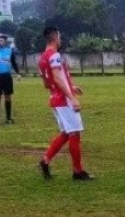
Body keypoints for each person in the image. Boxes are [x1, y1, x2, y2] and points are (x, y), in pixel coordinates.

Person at [37, 26, 93, 181]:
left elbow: (48, 83)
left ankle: (45, 161)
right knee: (74, 133)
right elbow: (56, 77)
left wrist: (71, 87)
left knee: (67, 133)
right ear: (55, 38)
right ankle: (78, 171)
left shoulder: (42, 58)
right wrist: (71, 97)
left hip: (55, 99)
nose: (60, 40)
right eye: (59, 37)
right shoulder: (54, 55)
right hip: (63, 100)